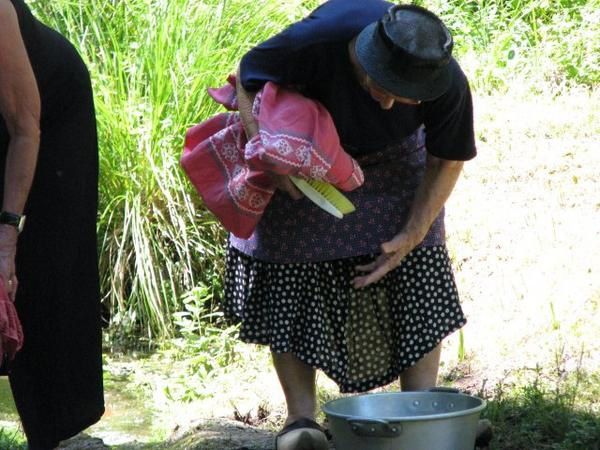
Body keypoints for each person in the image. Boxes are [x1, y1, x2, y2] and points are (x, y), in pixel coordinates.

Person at [224, 1, 477, 449]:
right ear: (364, 57)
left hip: (396, 159)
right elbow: (247, 76)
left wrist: (414, 233)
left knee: (417, 265)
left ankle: (422, 411)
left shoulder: (446, 81)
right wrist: (268, 153)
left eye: (406, 95)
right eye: (381, 86)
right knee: (288, 268)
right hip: (305, 150)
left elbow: (446, 159)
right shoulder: (315, 42)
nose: (387, 102)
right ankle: (300, 421)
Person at [0, 0, 104, 448]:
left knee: (40, 272)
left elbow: (26, 126)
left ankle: (52, 434)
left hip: (50, 121)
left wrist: (7, 234)